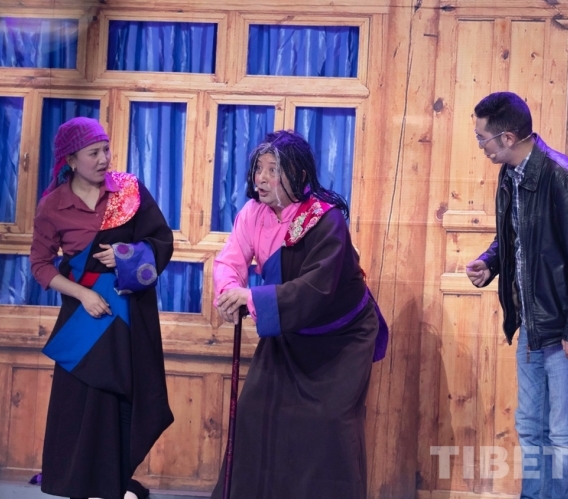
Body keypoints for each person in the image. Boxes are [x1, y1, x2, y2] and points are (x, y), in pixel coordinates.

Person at [210, 130, 388, 499]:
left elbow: (315, 288)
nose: (261, 178)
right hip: (288, 330)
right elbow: (230, 260)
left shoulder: (325, 220)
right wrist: (228, 291)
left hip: (340, 339)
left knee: (330, 424)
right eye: (259, 168)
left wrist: (252, 298)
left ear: (300, 175)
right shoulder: (252, 214)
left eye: (273, 170)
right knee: (256, 411)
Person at [465, 92, 568, 498]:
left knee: (564, 433)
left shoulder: (562, 176)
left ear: (508, 138)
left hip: (566, 326)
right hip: (532, 323)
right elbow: (515, 235)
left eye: (482, 139)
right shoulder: (510, 174)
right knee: (531, 427)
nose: (481, 146)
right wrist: (490, 262)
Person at [30, 117, 174, 499]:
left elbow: (162, 241)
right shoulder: (53, 205)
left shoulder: (129, 191)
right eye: (93, 153)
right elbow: (40, 265)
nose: (104, 159)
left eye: (106, 150)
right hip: (84, 321)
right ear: (71, 160)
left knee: (121, 407)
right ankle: (78, 487)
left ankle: (115, 486)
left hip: (128, 318)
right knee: (79, 409)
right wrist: (82, 294)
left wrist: (127, 255)